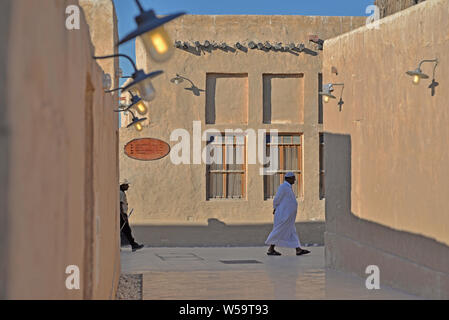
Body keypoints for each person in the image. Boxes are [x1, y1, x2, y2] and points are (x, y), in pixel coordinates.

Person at [265, 172, 310, 256]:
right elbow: (277, 199)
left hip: (288, 216)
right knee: (279, 230)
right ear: (288, 178)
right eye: (293, 178)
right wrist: (275, 207)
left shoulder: (288, 187)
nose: (295, 180)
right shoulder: (283, 187)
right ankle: (271, 249)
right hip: (283, 215)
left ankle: (298, 249)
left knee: (292, 231)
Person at [120, 179, 144, 252]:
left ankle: (133, 244)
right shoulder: (120, 193)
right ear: (123, 185)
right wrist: (123, 215)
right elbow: (119, 204)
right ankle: (133, 245)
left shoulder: (122, 193)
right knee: (126, 230)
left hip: (123, 214)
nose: (128, 186)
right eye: (127, 185)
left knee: (126, 230)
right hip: (121, 215)